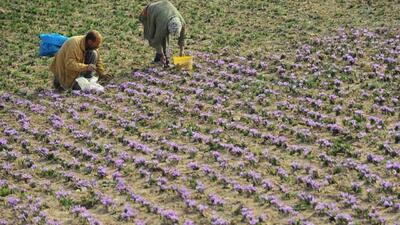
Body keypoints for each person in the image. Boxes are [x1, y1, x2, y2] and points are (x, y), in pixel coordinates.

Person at [139, 0, 186, 66]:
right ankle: (160, 57)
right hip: (150, 11)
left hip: (164, 11)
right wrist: (161, 54)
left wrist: (182, 50)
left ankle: (165, 57)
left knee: (165, 40)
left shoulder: (182, 23)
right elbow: (156, 41)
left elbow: (182, 37)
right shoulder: (162, 26)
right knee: (157, 37)